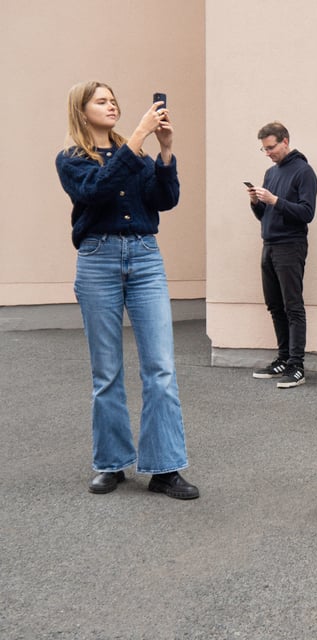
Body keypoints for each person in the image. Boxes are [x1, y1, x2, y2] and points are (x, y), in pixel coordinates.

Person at [55, 81, 199, 500]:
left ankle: (164, 468)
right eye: (101, 101)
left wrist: (166, 151)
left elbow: (164, 199)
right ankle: (111, 463)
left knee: (161, 368)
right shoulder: (70, 159)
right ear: (82, 111)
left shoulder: (135, 156)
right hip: (97, 258)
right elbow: (94, 190)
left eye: (114, 100)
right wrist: (137, 139)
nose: (111, 105)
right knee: (107, 372)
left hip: (145, 256)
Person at [246, 122, 317, 388]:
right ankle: (283, 358)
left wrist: (275, 200)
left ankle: (297, 365)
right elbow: (265, 216)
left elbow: (307, 212)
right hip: (270, 244)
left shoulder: (304, 172)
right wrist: (257, 202)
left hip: (291, 245)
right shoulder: (270, 173)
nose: (268, 153)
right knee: (275, 305)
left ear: (285, 142)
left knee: (293, 306)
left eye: (271, 147)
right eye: (264, 149)